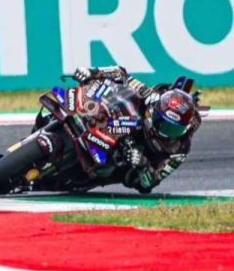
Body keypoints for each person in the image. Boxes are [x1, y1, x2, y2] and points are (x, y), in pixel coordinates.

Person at [71, 66, 203, 193]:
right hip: (119, 123)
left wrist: (143, 165)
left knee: (121, 174)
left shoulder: (180, 150)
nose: (166, 133)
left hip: (131, 159)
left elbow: (150, 183)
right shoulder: (151, 97)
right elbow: (121, 73)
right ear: (155, 113)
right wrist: (93, 72)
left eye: (174, 130)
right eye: (164, 124)